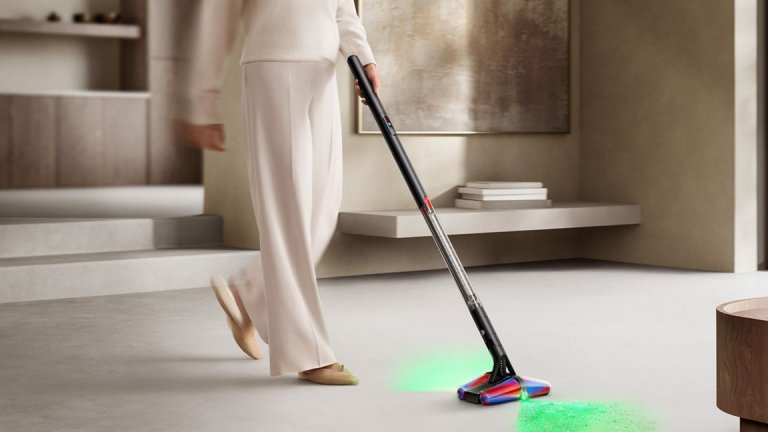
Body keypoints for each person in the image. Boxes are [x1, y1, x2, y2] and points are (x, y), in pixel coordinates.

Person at [178, 0, 380, 385]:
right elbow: (215, 19)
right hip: (273, 66)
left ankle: (250, 289)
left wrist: (363, 56)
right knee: (287, 209)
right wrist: (202, 102)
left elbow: (341, 8)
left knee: (322, 210)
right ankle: (309, 353)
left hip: (323, 70)